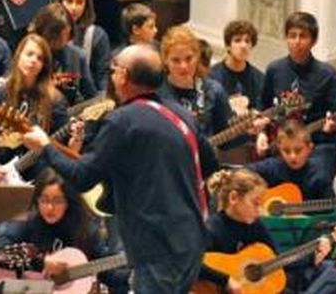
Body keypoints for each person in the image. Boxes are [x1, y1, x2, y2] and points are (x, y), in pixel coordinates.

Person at [22, 44, 218, 293]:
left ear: (123, 76)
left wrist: (44, 146)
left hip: (158, 246)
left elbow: (82, 178)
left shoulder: (122, 120)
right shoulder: (180, 114)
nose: (112, 76)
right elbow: (210, 163)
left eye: (113, 70)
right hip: (192, 240)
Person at [200, 168, 331, 292]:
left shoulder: (255, 225)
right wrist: (226, 280)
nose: (260, 211)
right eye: (255, 203)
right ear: (233, 198)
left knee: (329, 271)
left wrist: (311, 257)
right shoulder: (212, 228)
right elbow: (190, 263)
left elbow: (275, 260)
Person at [0, 34, 69, 184]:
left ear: (44, 66)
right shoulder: (1, 93)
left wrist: (76, 137)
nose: (33, 60)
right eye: (29, 54)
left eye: (40, 58)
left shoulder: (55, 100)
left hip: (37, 178)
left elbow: (63, 147)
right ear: (19, 55)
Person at [259, 12, 336, 180]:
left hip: (317, 145)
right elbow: (263, 106)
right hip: (282, 145)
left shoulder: (327, 74)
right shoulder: (274, 69)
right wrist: (262, 133)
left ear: (313, 41)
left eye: (303, 36)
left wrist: (333, 125)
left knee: (317, 178)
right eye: (292, 36)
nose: (297, 42)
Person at [0, 168, 117, 283]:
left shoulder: (85, 229)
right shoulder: (23, 225)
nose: (49, 208)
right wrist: (41, 263)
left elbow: (107, 272)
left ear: (68, 202)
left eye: (57, 201)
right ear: (37, 200)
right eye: (44, 200)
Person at [157, 25, 232, 137]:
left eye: (189, 58)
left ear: (197, 56)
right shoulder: (155, 92)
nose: (183, 66)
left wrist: (249, 131)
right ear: (165, 60)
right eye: (175, 60)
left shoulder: (214, 90)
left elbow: (226, 138)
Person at [248, 120, 335, 200]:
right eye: (286, 151)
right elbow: (240, 174)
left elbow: (333, 210)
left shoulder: (319, 175)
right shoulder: (271, 167)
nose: (292, 156)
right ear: (279, 149)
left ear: (309, 148)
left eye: (298, 150)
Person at [29, 3, 96, 106]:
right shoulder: (29, 56)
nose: (62, 40)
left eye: (65, 34)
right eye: (56, 37)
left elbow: (91, 97)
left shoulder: (77, 56)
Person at [58, 0, 111, 96]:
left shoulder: (97, 35)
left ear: (86, 5)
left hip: (84, 99)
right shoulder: (48, 31)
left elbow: (102, 76)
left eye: (79, 2)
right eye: (69, 1)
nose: (74, 8)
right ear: (60, 2)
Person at [208, 19, 265, 114]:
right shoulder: (211, 76)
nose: (243, 45)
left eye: (247, 41)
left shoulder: (260, 79)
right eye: (237, 40)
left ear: (252, 46)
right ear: (228, 46)